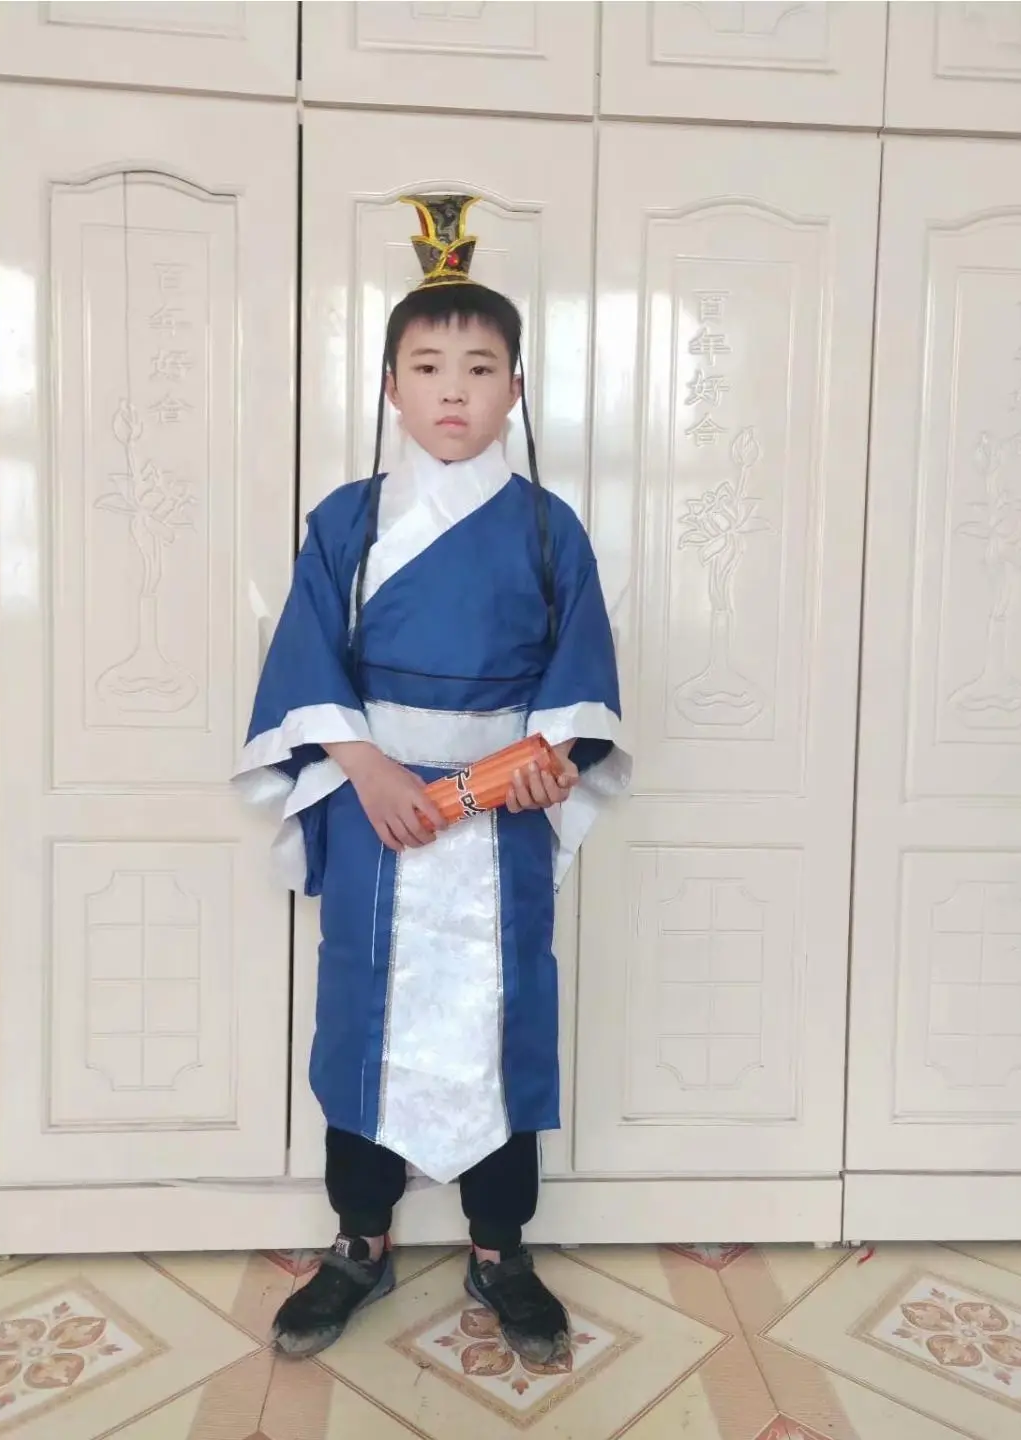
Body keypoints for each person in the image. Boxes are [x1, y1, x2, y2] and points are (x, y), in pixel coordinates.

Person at [234, 194, 630, 1364]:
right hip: (378, 813)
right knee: (365, 1013)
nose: (454, 390)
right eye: (428, 367)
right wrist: (361, 766)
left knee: (506, 1021)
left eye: (480, 367)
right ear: (392, 389)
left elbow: (581, 687)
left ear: (516, 390)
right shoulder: (346, 523)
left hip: (500, 820)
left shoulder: (549, 529)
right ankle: (360, 1238)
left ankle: (500, 1249)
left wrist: (551, 763)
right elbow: (306, 659)